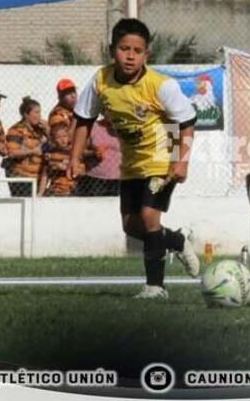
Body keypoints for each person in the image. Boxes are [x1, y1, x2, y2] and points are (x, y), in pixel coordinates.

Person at [70, 18, 201, 299]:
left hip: (161, 160)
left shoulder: (161, 86)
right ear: (112, 50)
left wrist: (181, 161)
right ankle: (176, 240)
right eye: (124, 48)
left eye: (137, 50)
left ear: (146, 54)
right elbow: (84, 118)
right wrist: (75, 157)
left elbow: (186, 122)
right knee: (131, 226)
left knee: (149, 217)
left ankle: (155, 287)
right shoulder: (101, 80)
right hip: (131, 164)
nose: (130, 56)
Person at [5, 97, 48, 197]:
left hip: (38, 176)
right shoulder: (17, 130)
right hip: (21, 176)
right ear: (26, 114)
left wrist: (48, 130)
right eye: (36, 112)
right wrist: (32, 151)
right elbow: (12, 152)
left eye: (40, 113)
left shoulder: (41, 130)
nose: (39, 116)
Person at [74, 116, 121, 196]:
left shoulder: (124, 128)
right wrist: (93, 153)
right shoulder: (93, 127)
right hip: (95, 177)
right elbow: (81, 151)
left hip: (119, 178)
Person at [40, 124, 79, 196]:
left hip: (72, 189)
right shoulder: (50, 154)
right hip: (56, 189)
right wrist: (40, 193)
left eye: (65, 136)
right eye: (58, 137)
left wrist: (64, 167)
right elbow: (45, 175)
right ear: (53, 139)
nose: (63, 140)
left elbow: (82, 170)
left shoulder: (75, 151)